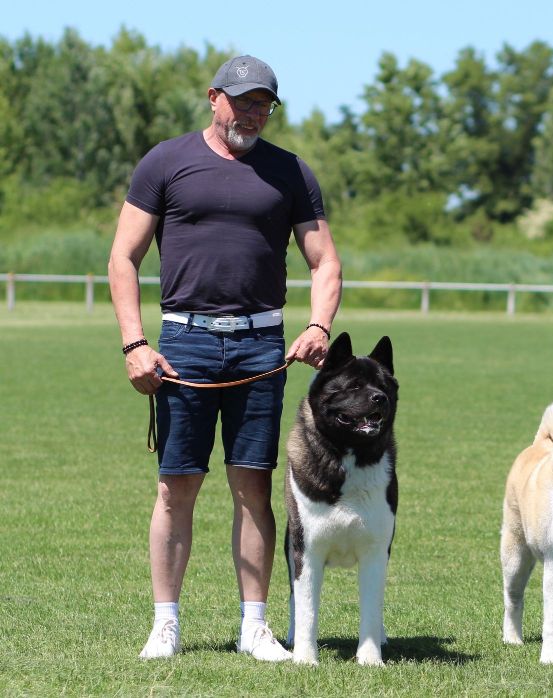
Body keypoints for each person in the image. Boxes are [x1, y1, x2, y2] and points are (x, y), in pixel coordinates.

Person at [108, 55, 342, 661]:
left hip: (260, 344)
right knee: (175, 487)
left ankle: (254, 626)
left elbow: (325, 261)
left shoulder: (290, 171)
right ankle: (165, 624)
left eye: (264, 104)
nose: (253, 114)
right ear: (214, 98)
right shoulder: (166, 161)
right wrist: (135, 344)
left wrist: (319, 325)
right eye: (242, 101)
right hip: (183, 343)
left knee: (253, 487)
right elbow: (123, 258)